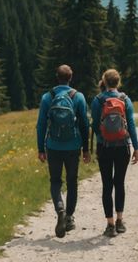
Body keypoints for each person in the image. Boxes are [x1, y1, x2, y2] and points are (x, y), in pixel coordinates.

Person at [36, 64, 91, 238]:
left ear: (56, 77)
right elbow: (84, 125)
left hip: (53, 146)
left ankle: (60, 208)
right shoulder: (78, 97)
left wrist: (41, 149)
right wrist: (86, 149)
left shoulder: (47, 97)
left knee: (55, 181)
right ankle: (69, 217)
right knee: (72, 181)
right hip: (73, 146)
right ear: (71, 77)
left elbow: (41, 125)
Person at [90, 69, 138, 238]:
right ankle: (120, 221)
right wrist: (136, 148)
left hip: (104, 148)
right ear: (118, 82)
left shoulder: (98, 100)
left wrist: (102, 138)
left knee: (107, 185)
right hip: (122, 147)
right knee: (119, 183)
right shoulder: (125, 99)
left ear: (104, 81)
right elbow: (131, 125)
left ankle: (110, 225)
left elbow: (95, 125)